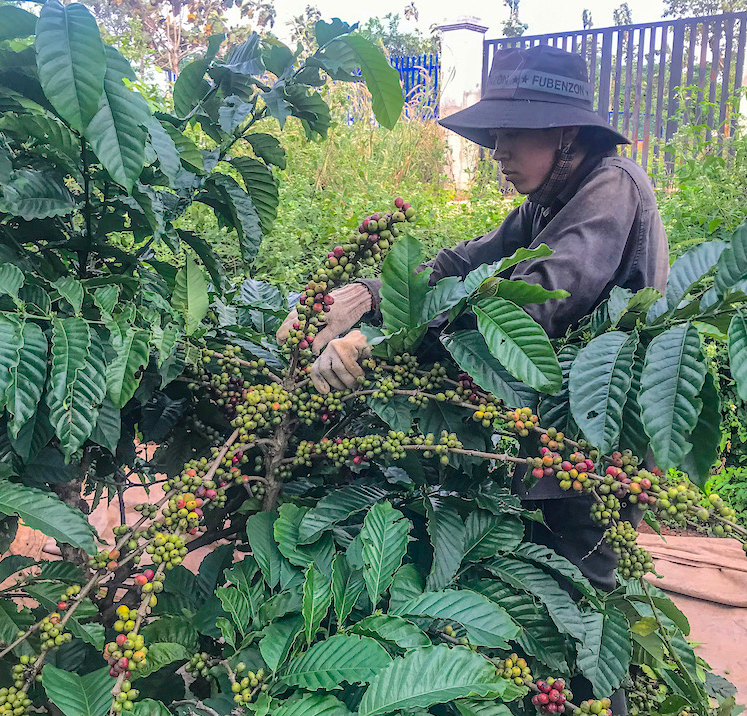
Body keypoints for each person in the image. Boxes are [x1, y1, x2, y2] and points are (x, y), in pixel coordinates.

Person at [278, 44, 669, 712]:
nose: (499, 150)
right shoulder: (546, 202)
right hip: (536, 447)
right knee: (536, 623)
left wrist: (375, 348)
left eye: (514, 134)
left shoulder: (611, 187)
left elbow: (541, 295)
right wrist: (364, 294)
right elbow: (462, 265)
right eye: (495, 136)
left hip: (588, 462)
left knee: (582, 627)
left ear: (566, 134)